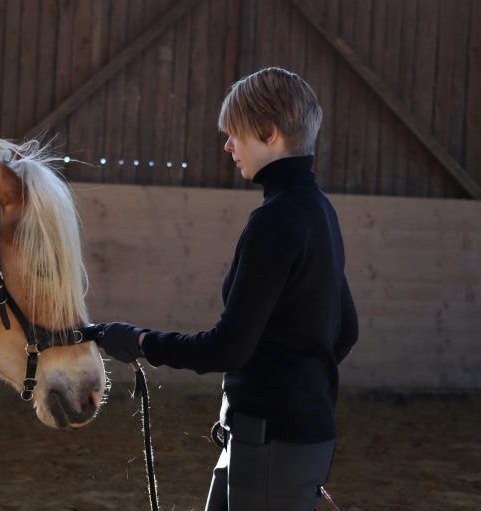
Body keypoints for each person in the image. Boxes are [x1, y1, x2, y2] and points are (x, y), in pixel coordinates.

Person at [94, 67, 359, 511]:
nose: (228, 146)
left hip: (270, 445)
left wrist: (140, 342)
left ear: (269, 133)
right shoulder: (319, 211)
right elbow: (345, 331)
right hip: (278, 441)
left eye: (235, 134)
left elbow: (226, 349)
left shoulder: (275, 220)